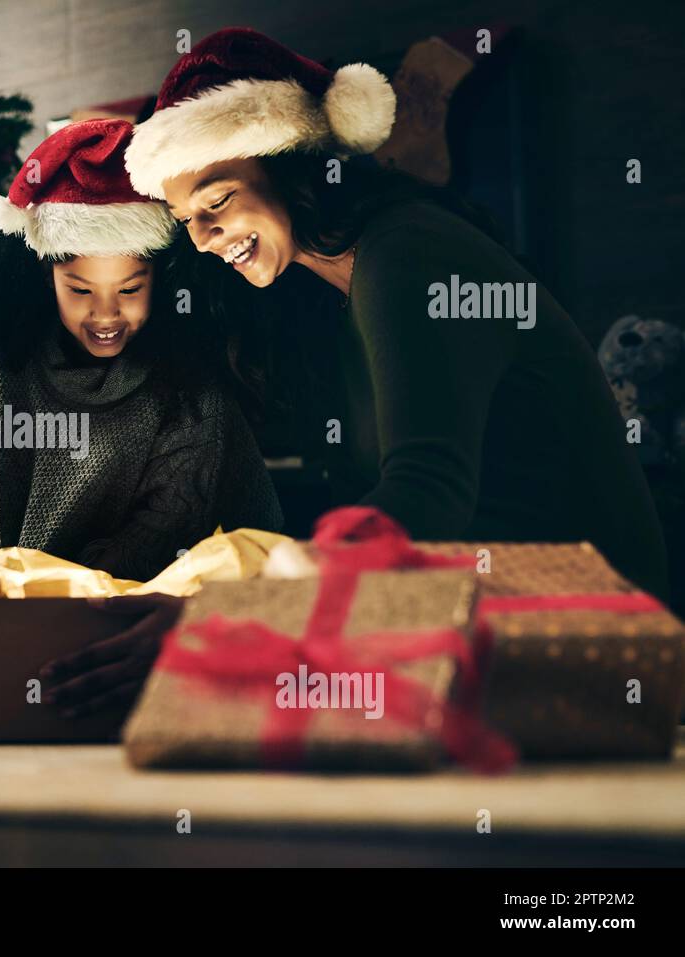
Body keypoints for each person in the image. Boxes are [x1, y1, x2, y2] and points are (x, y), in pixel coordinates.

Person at [124, 26, 668, 601]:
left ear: (288, 166)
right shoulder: (328, 290)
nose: (205, 237)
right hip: (471, 594)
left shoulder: (407, 251)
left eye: (218, 200)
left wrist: (238, 609)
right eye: (187, 219)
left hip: (586, 614)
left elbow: (427, 493)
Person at [0, 119, 282, 715]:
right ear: (46, 279)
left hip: (137, 606)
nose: (106, 315)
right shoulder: (8, 360)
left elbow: (161, 535)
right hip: (3, 598)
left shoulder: (193, 383)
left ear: (160, 283)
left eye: (130, 289)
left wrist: (41, 600)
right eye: (81, 290)